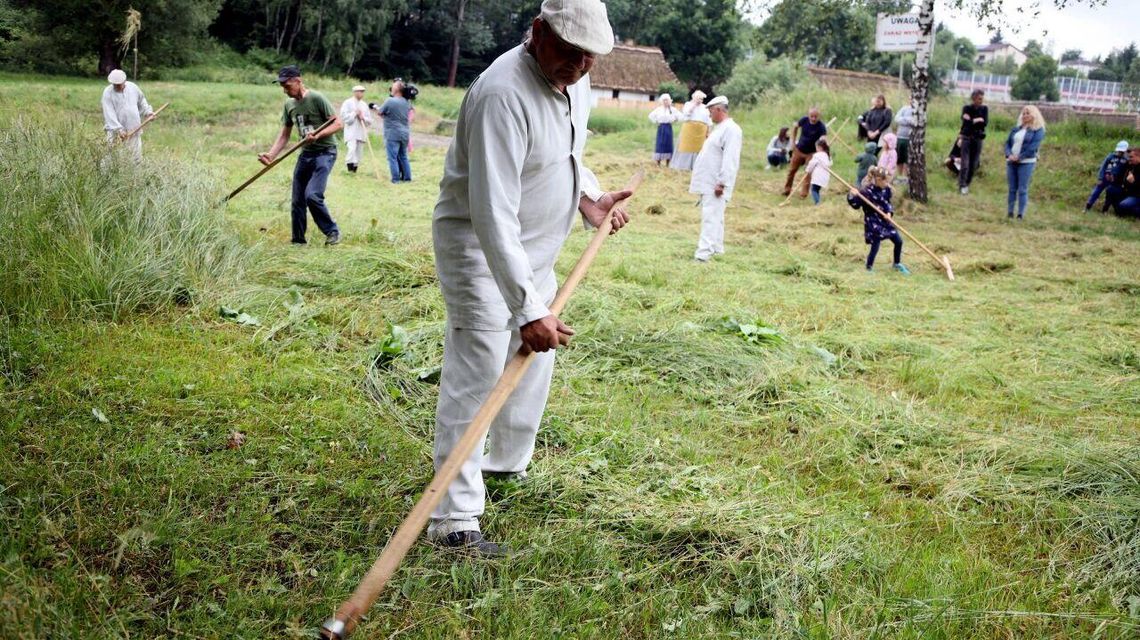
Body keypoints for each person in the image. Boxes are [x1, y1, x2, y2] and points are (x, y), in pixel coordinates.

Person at [430, 0, 632, 555]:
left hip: (535, 251)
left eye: (589, 59)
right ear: (537, 32)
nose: (579, 67)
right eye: (569, 53)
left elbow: (565, 152)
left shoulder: (575, 80)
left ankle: (502, 467)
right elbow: (492, 211)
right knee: (476, 380)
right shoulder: (502, 94)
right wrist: (527, 308)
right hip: (480, 251)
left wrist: (590, 198)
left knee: (531, 369)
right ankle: (454, 521)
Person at [258, 65, 342, 246]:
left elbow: (337, 124)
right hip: (306, 154)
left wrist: (318, 135)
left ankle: (332, 231)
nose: (284, 90)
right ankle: (298, 241)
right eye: (282, 86)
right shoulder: (289, 105)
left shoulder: (316, 98)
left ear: (298, 81)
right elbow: (284, 134)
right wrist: (271, 155)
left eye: (287, 85)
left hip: (325, 152)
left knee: (312, 195)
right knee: (297, 200)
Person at [690, 96, 742, 262]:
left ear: (719, 110)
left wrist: (722, 182)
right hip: (709, 180)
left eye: (711, 110)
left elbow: (730, 159)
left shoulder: (732, 129)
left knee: (710, 218)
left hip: (716, 183)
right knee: (716, 217)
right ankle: (717, 250)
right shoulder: (719, 128)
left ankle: (703, 255)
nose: (709, 114)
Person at [848, 166, 909, 275]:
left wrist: (889, 213)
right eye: (886, 180)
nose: (888, 183)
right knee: (875, 245)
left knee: (898, 241)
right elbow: (856, 205)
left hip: (885, 220)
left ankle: (896, 263)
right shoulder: (866, 192)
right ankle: (869, 267)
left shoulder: (886, 190)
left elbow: (887, 203)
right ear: (879, 180)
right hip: (873, 222)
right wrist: (852, 195)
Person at [1003, 105, 1046, 220]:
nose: (1025, 115)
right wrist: (1009, 154)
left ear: (1034, 115)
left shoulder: (1038, 130)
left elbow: (1033, 147)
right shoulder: (1016, 128)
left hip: (1026, 162)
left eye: (1028, 113)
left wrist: (1020, 157)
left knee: (1022, 189)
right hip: (1011, 161)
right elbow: (1007, 143)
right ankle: (1010, 212)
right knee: (1012, 188)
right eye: (1024, 113)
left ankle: (1020, 214)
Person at [101, 69, 154, 161]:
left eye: (119, 84)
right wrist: (119, 129)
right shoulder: (107, 92)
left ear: (124, 81)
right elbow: (109, 113)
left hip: (133, 128)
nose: (117, 86)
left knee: (135, 157)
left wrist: (148, 112)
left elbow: (142, 101)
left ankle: (134, 175)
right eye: (115, 84)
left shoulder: (133, 87)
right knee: (113, 157)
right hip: (115, 132)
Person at [783, 107, 827, 197]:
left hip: (811, 153)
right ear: (808, 115)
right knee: (791, 170)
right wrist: (793, 142)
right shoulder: (804, 120)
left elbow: (824, 139)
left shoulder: (821, 126)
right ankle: (787, 190)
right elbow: (795, 127)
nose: (813, 118)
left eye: (816, 116)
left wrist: (823, 141)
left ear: (819, 116)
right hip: (799, 150)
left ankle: (804, 193)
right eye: (812, 116)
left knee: (808, 173)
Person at [378, 80, 413, 182]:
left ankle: (395, 179)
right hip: (405, 133)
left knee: (392, 157)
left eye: (393, 87)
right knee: (403, 156)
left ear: (397, 89)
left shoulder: (390, 100)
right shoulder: (407, 102)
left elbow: (380, 112)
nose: (391, 88)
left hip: (392, 133)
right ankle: (407, 178)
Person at [957, 89, 988, 195]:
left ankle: (967, 183)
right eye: (979, 98)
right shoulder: (966, 108)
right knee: (965, 163)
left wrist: (972, 120)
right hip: (966, 137)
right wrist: (976, 120)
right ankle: (962, 184)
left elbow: (984, 123)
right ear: (974, 98)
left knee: (974, 163)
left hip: (978, 138)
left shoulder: (984, 109)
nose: (981, 100)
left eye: (982, 98)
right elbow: (965, 122)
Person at [1086, 140, 1129, 213]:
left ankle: (1105, 210)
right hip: (1105, 178)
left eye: (1122, 152)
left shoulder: (1126, 160)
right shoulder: (1110, 156)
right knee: (1096, 192)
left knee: (1110, 195)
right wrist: (1100, 178)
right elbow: (1103, 167)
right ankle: (1088, 206)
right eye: (1119, 151)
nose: (1120, 153)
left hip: (1115, 181)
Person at [672, 90, 710, 171]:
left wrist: (708, 131)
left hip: (701, 130)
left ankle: (697, 166)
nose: (700, 100)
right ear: (694, 98)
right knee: (686, 147)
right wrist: (694, 105)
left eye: (701, 99)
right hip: (689, 129)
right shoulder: (688, 104)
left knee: (699, 148)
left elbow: (708, 120)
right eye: (698, 98)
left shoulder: (705, 107)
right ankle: (684, 166)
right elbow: (686, 113)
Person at [339, 84, 372, 173]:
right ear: (355, 92)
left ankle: (354, 171)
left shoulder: (364, 105)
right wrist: (354, 114)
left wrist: (363, 117)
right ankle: (349, 170)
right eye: (360, 92)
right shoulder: (347, 103)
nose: (361, 94)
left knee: (359, 152)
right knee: (351, 149)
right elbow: (344, 117)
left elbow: (369, 121)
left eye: (363, 92)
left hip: (361, 132)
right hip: (351, 131)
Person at [647, 93, 680, 166]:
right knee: (660, 144)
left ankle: (668, 163)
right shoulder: (659, 109)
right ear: (662, 101)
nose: (666, 102)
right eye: (664, 100)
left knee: (668, 144)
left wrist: (674, 120)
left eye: (667, 100)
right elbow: (651, 116)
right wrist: (656, 122)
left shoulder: (672, 109)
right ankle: (658, 162)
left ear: (669, 101)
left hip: (668, 127)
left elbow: (680, 116)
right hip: (661, 128)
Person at [1111, 147, 1140, 217]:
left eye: (1131, 157)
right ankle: (1121, 211)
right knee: (1111, 190)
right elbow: (1120, 178)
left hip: (1137, 196)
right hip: (1127, 192)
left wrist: (1134, 182)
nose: (1129, 159)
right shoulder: (1129, 165)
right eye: (1128, 157)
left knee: (1124, 205)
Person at [804, 139, 831, 205]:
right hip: (825, 176)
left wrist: (807, 170)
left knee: (813, 190)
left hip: (818, 176)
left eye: (816, 147)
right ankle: (818, 201)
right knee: (817, 189)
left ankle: (817, 202)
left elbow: (811, 164)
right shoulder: (827, 155)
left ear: (819, 147)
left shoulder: (817, 155)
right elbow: (830, 163)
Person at [894, 100, 916, 180]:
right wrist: (908, 120)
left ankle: (905, 177)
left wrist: (904, 119)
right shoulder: (904, 109)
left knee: (908, 158)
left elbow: (915, 121)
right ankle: (899, 176)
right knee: (899, 158)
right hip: (900, 137)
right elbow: (897, 119)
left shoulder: (918, 110)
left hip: (910, 138)